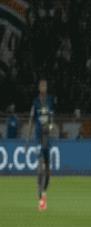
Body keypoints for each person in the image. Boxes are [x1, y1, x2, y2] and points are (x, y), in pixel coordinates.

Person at [27, 79, 55, 211]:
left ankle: (44, 192)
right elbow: (31, 120)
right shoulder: (35, 102)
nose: (44, 87)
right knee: (40, 168)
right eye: (42, 86)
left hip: (47, 138)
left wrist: (50, 128)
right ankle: (40, 197)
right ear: (39, 88)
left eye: (45, 85)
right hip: (38, 138)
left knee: (48, 170)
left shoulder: (50, 101)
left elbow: (52, 119)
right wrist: (28, 139)